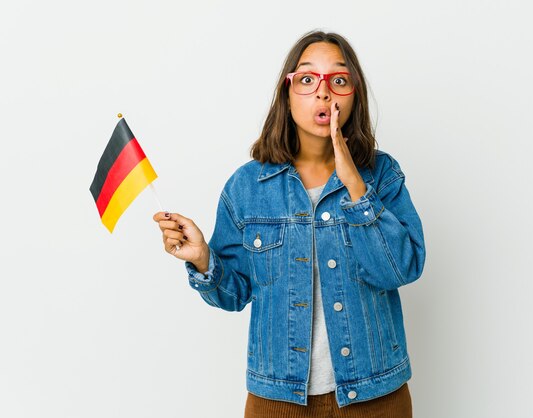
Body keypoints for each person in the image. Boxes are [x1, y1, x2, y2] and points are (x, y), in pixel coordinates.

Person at [153, 30, 426, 418]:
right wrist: (202, 260)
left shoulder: (381, 175)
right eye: (307, 79)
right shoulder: (247, 186)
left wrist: (355, 188)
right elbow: (234, 294)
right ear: (287, 92)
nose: (323, 92)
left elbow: (403, 268)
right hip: (277, 401)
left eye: (339, 80)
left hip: (376, 396)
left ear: (355, 95)